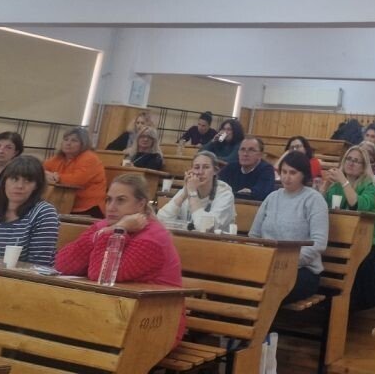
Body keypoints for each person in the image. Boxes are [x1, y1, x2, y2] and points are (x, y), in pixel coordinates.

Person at [56, 174, 185, 341]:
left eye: (121, 200)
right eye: (108, 200)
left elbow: (100, 274)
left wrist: (116, 230)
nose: (111, 207)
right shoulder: (107, 225)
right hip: (116, 313)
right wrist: (114, 229)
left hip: (155, 323)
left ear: (140, 204)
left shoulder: (153, 239)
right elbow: (62, 265)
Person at [248, 151, 328, 303]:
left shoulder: (314, 200)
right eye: (284, 172)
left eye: (292, 173)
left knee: (268, 291)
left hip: (303, 271)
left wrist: (286, 263)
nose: (286, 177)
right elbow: (254, 235)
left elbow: (319, 243)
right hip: (267, 265)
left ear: (303, 175)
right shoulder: (272, 197)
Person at [323, 144, 375, 311]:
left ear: (363, 167)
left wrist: (344, 181)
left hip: (364, 241)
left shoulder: (369, 185)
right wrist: (325, 186)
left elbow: (358, 205)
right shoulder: (335, 186)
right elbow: (321, 207)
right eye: (348, 159)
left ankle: (347, 305)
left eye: (356, 161)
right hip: (338, 236)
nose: (351, 163)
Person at [0, 156, 59, 266]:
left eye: (27, 181)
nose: (19, 186)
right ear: (4, 182)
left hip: (25, 275)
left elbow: (39, 264)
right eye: (14, 179)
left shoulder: (44, 213)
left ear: (36, 186)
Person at [157, 150, 235, 231]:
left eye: (206, 167)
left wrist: (193, 193)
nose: (200, 172)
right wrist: (184, 194)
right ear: (191, 171)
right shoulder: (188, 189)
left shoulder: (225, 195)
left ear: (215, 171)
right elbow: (160, 220)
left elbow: (205, 227)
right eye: (196, 167)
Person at [43, 127, 107, 217]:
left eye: (74, 140)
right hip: (63, 204)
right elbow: (39, 169)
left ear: (83, 144)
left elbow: (77, 180)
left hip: (88, 208)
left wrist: (57, 177)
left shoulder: (90, 158)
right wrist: (45, 174)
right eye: (66, 139)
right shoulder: (59, 158)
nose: (68, 143)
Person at [220, 136, 275, 201]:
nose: (245, 154)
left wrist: (250, 192)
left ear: (260, 155)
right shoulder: (230, 167)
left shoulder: (266, 170)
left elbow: (262, 193)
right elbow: (218, 186)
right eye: (242, 149)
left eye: (251, 150)